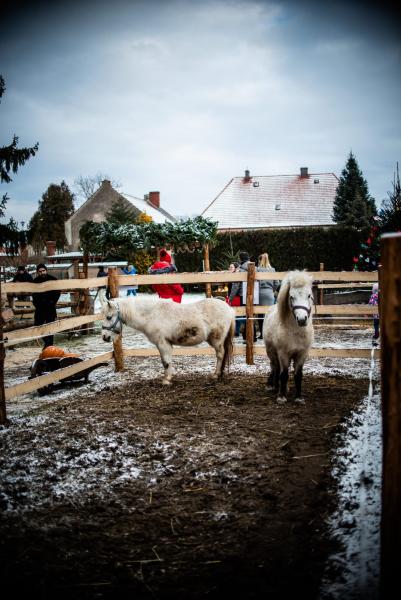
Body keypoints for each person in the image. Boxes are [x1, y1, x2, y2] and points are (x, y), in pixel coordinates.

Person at [228, 251, 257, 342]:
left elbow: (236, 286)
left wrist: (230, 298)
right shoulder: (256, 268)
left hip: (243, 295)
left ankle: (247, 336)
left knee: (245, 316)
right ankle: (252, 336)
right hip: (255, 294)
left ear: (240, 259)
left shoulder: (241, 270)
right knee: (251, 315)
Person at [32, 263, 61, 348]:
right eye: (40, 271)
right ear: (37, 272)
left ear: (46, 270)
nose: (42, 272)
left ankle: (49, 347)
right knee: (38, 326)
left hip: (50, 307)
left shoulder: (53, 280)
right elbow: (34, 295)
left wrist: (52, 302)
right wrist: (37, 304)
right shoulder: (35, 281)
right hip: (40, 308)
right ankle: (47, 344)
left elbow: (57, 293)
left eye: (43, 270)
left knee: (50, 328)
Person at [256, 253, 278, 339]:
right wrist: (272, 290)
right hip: (269, 293)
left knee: (260, 314)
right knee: (269, 314)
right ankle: (269, 334)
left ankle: (262, 334)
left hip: (260, 293)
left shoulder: (258, 269)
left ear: (259, 260)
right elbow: (277, 283)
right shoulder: (272, 270)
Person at [226, 262, 242, 336]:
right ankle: (234, 331)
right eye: (229, 267)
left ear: (235, 268)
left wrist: (230, 299)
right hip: (232, 297)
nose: (230, 269)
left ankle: (236, 331)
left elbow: (234, 289)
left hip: (235, 297)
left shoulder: (236, 276)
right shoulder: (230, 276)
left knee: (237, 314)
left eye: (231, 267)